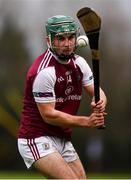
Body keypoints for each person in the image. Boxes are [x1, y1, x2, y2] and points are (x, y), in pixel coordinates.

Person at [17, 15, 107, 179]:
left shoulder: (79, 63)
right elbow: (49, 115)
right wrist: (87, 121)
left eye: (70, 37)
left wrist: (99, 102)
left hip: (62, 137)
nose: (67, 44)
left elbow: (98, 91)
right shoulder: (44, 72)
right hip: (36, 137)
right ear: (49, 40)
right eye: (60, 38)